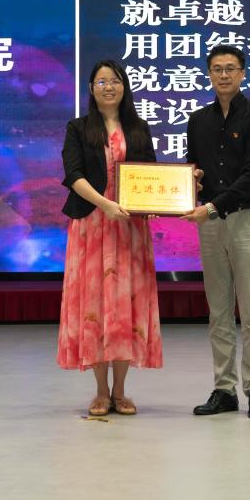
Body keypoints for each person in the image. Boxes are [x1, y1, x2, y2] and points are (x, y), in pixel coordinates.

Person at [57, 59, 163, 416]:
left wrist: (152, 205)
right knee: (94, 306)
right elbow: (73, 174)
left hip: (130, 229)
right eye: (101, 81)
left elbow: (150, 175)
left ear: (124, 87)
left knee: (125, 307)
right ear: (91, 88)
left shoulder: (138, 128)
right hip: (92, 225)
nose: (108, 87)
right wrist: (105, 205)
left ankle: (120, 391)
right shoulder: (78, 128)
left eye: (115, 81)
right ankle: (101, 391)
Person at [181, 44, 250, 420]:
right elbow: (192, 167)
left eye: (230, 69)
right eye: (217, 69)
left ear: (242, 74)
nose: (223, 75)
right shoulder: (198, 120)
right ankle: (224, 389)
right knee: (218, 311)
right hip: (210, 222)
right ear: (209, 74)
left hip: (244, 218)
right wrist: (192, 181)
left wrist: (212, 206)